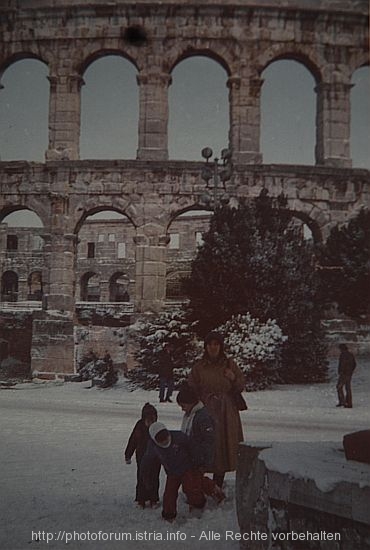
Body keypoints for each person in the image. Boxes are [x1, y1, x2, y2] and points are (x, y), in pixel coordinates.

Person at [188, 331, 245, 488]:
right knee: (205, 443)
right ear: (205, 347)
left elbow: (241, 384)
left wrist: (233, 377)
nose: (213, 347)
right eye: (210, 344)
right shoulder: (199, 366)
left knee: (223, 444)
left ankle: (217, 483)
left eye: (216, 344)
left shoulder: (229, 364)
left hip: (226, 410)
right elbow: (191, 386)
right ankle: (199, 483)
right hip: (205, 408)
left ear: (221, 346)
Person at [141, 421, 206, 521]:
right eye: (161, 441)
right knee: (169, 495)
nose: (165, 442)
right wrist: (146, 480)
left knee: (191, 489)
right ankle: (169, 515)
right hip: (172, 472)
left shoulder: (179, 437)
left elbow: (193, 447)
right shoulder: (152, 447)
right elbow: (146, 464)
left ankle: (198, 505)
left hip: (187, 467)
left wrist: (198, 462)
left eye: (166, 439)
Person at [177, 384, 225, 503]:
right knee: (193, 479)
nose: (182, 408)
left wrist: (205, 460)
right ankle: (213, 491)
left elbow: (209, 441)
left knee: (193, 481)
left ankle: (199, 501)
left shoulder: (202, 417)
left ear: (191, 402)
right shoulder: (189, 415)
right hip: (190, 455)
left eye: (183, 405)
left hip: (198, 456)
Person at [124, 403, 160, 508]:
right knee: (141, 477)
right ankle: (141, 499)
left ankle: (154, 499)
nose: (150, 420)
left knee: (154, 478)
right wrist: (128, 454)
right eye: (148, 417)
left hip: (155, 458)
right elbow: (133, 441)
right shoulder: (139, 426)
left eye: (153, 417)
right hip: (142, 456)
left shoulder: (157, 427)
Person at [336, 343, 356, 408]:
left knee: (339, 387)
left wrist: (341, 371)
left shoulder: (343, 355)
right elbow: (354, 364)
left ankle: (343, 401)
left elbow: (342, 365)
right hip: (349, 373)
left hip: (344, 374)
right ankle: (348, 402)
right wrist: (351, 371)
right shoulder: (350, 354)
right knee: (348, 388)